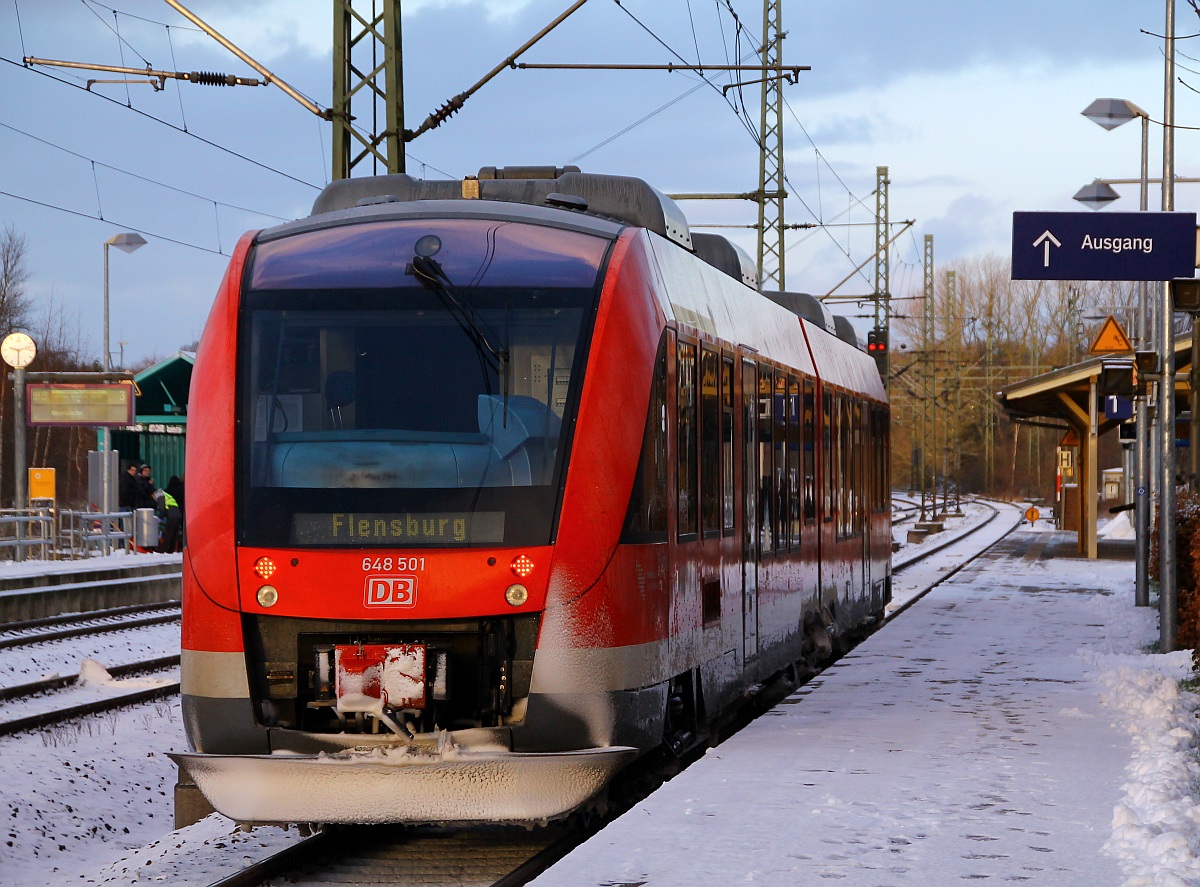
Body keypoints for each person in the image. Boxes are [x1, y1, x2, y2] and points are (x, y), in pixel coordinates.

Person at [159, 475, 185, 553]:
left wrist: (160, 518)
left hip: (171, 514)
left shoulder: (166, 492)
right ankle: (174, 549)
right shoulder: (182, 489)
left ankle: (164, 549)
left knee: (169, 532)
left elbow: (163, 508)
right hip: (180, 513)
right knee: (176, 532)